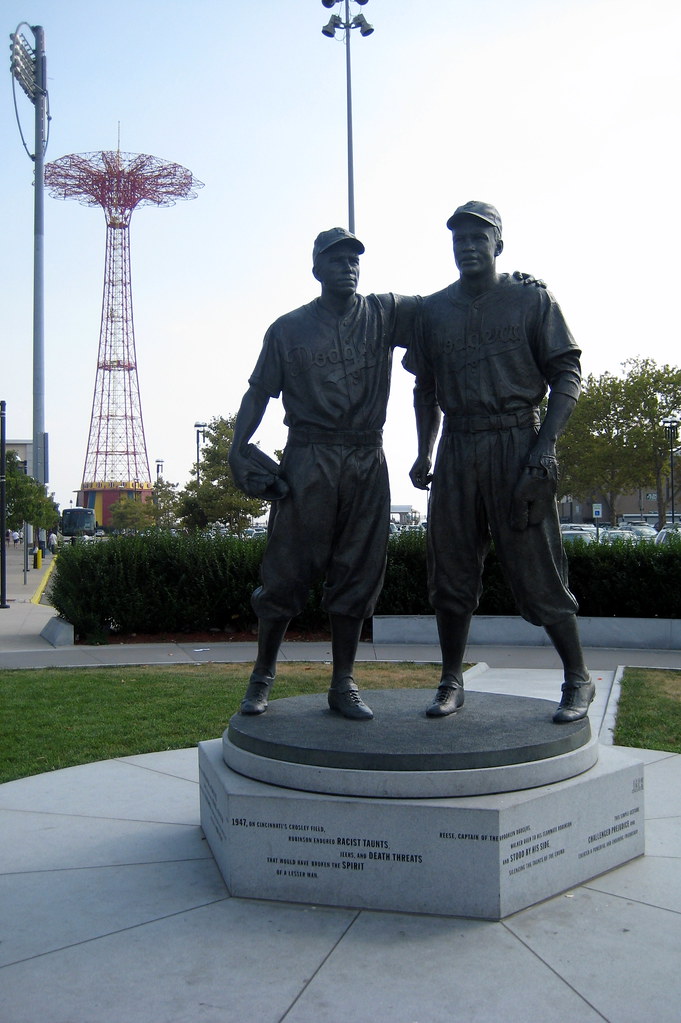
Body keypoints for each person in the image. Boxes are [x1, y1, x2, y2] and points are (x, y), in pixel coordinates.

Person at [406, 201, 594, 724]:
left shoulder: (531, 298)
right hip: (458, 447)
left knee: (538, 568)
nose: (468, 246)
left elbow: (567, 373)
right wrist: (423, 450)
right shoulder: (432, 311)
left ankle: (578, 678)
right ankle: (451, 680)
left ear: (498, 245)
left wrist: (544, 447)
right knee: (450, 572)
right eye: (459, 239)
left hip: (517, 443)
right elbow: (425, 388)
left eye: (478, 238)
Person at [228, 228, 419, 720]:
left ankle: (343, 682)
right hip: (309, 456)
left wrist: (509, 283)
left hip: (366, 456)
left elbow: (445, 306)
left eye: (354, 260)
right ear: (316, 269)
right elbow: (258, 392)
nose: (348, 267)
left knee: (358, 573)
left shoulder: (383, 312)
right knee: (286, 570)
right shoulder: (288, 328)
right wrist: (237, 446)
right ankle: (262, 676)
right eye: (336, 260)